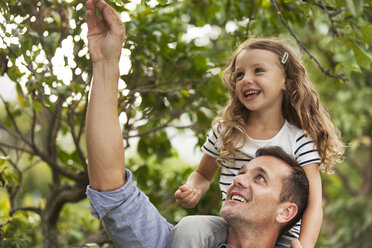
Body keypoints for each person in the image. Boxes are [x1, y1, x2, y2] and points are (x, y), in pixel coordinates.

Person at [84, 0, 308, 247]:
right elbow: (113, 192)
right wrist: (105, 64)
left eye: (260, 178)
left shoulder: (299, 139)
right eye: (241, 171)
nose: (238, 179)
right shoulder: (177, 241)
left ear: (285, 212)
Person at [174, 32, 344, 248]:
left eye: (259, 70)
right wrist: (193, 188)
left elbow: (314, 204)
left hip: (281, 237)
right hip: (231, 228)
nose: (246, 80)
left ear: (285, 80)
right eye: (239, 75)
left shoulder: (300, 140)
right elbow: (202, 175)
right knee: (191, 228)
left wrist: (305, 245)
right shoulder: (225, 131)